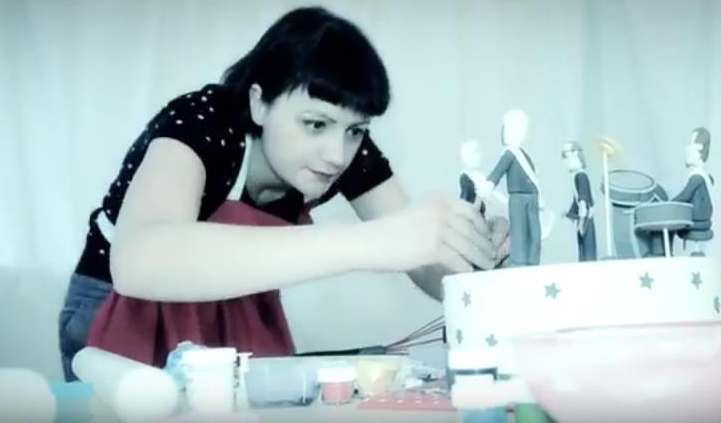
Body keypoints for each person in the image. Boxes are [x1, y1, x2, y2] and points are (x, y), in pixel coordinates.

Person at [58, 6, 508, 381]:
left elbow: (424, 263)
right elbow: (140, 261)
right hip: (119, 315)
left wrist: (475, 260)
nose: (337, 154)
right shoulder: (203, 121)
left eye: (356, 130)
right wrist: (375, 242)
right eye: (315, 124)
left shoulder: (345, 148)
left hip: (234, 317)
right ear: (259, 102)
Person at [479, 109, 541, 267]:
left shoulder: (524, 155)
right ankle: (519, 261)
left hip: (532, 198)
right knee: (519, 232)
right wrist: (489, 185)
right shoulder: (509, 153)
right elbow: (498, 171)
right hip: (517, 198)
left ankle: (533, 261)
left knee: (534, 232)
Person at [671, 127, 714, 256]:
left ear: (700, 150)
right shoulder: (704, 176)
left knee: (670, 225)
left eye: (692, 144)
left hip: (698, 221)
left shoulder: (697, 177)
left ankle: (666, 251)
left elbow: (685, 195)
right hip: (702, 219)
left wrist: (669, 203)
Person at [561, 141, 597, 262]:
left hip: (586, 219)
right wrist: (570, 213)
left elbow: (583, 200)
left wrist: (581, 222)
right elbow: (576, 200)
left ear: (575, 153)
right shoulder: (577, 176)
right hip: (583, 218)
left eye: (565, 155)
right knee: (582, 248)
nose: (565, 160)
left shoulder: (581, 176)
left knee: (587, 250)